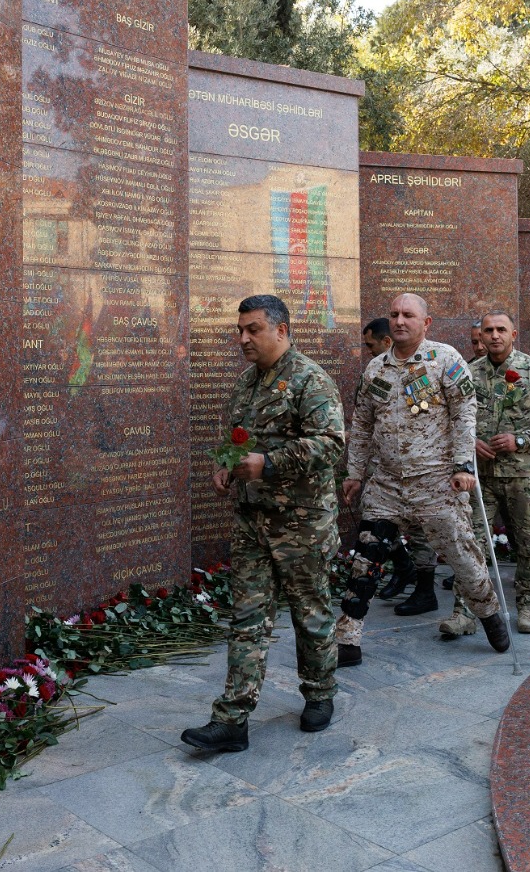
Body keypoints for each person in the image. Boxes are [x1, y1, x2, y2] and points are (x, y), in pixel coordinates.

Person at [182, 295, 347, 753]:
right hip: (252, 522)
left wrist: (269, 464)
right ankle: (232, 719)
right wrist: (225, 464)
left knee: (310, 613)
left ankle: (319, 694)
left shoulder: (311, 380)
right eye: (240, 330)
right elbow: (236, 441)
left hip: (302, 524)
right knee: (247, 618)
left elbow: (331, 445)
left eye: (253, 329)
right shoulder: (245, 385)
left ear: (281, 329)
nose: (243, 339)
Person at [342, 294, 511, 652]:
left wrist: (464, 465)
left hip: (436, 484)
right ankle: (347, 639)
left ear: (426, 322)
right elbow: (361, 425)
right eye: (394, 315)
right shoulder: (375, 369)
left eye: (408, 315)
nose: (400, 321)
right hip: (386, 485)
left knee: (464, 559)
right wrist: (354, 472)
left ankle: (491, 615)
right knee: (365, 561)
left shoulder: (445, 359)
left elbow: (464, 414)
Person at [452, 310, 530, 635]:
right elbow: (450, 419)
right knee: (471, 544)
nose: (495, 336)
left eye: (501, 330)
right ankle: (465, 612)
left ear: (513, 335)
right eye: (489, 330)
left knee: (529, 542)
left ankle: (528, 603)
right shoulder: (467, 374)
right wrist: (470, 441)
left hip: (523, 476)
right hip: (480, 478)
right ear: (482, 336)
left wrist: (521, 439)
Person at [335, 319, 417, 666]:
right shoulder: (374, 371)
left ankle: (419, 580)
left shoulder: (427, 367)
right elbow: (366, 419)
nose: (367, 350)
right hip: (382, 475)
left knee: (433, 536)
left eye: (370, 344)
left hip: (419, 475)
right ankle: (349, 635)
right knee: (372, 541)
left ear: (386, 340)